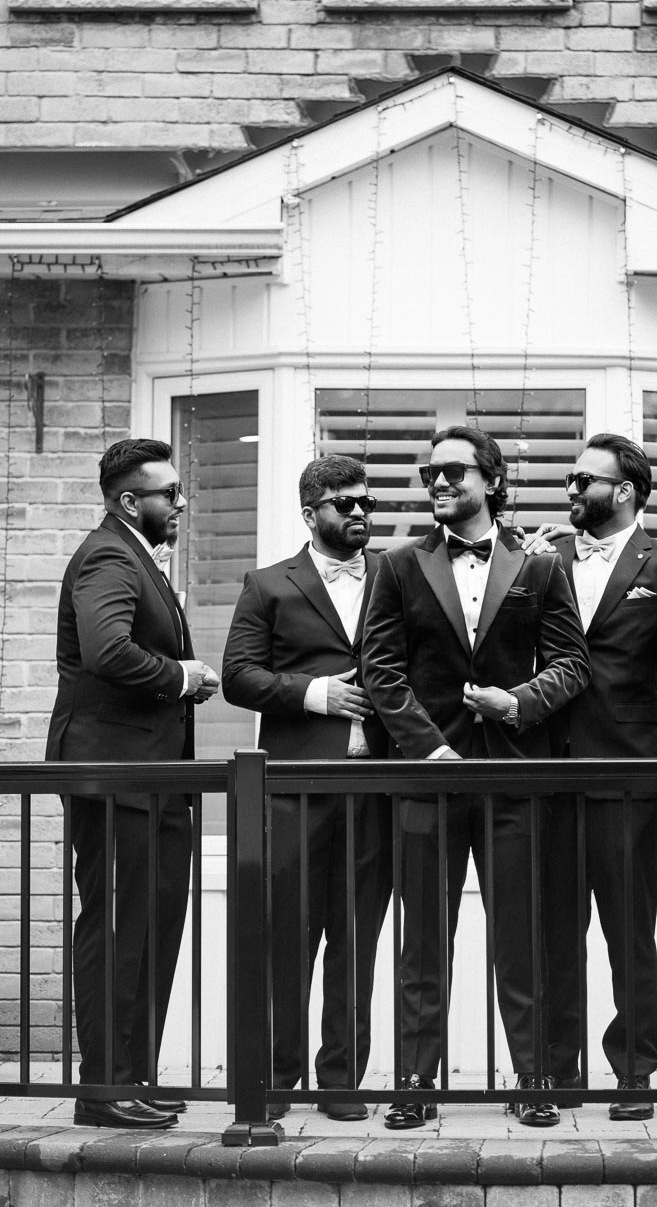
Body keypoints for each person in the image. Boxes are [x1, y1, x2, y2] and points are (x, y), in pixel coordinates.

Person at [362, 425, 590, 1130]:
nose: (438, 484)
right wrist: (426, 749)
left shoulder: (541, 566)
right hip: (427, 780)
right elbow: (381, 670)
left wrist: (520, 703)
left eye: (454, 472)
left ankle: (533, 1079)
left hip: (515, 778)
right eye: (430, 473)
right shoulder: (397, 565)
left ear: (492, 480)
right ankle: (413, 1082)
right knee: (422, 941)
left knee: (521, 938)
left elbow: (572, 664)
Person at [46, 438, 220, 1130]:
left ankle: (135, 1076)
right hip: (115, 774)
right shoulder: (109, 555)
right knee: (119, 927)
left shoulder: (134, 556)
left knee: (151, 927)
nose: (180, 503)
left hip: (152, 776)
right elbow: (107, 649)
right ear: (129, 501)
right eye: (168, 493)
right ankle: (103, 1089)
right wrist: (183, 676)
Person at [222, 456, 392, 1122]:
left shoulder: (394, 575)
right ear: (309, 512)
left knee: (358, 938)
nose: (357, 513)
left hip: (374, 788)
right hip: (292, 787)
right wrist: (315, 694)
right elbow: (238, 675)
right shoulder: (268, 584)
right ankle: (278, 1078)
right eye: (342, 503)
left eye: (363, 502)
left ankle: (341, 1082)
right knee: (288, 937)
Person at [531, 434, 657, 1121]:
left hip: (627, 770)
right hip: (549, 770)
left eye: (583, 480)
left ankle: (634, 1072)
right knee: (551, 930)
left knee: (631, 929)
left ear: (623, 491)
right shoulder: (545, 558)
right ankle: (554, 1074)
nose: (571, 490)